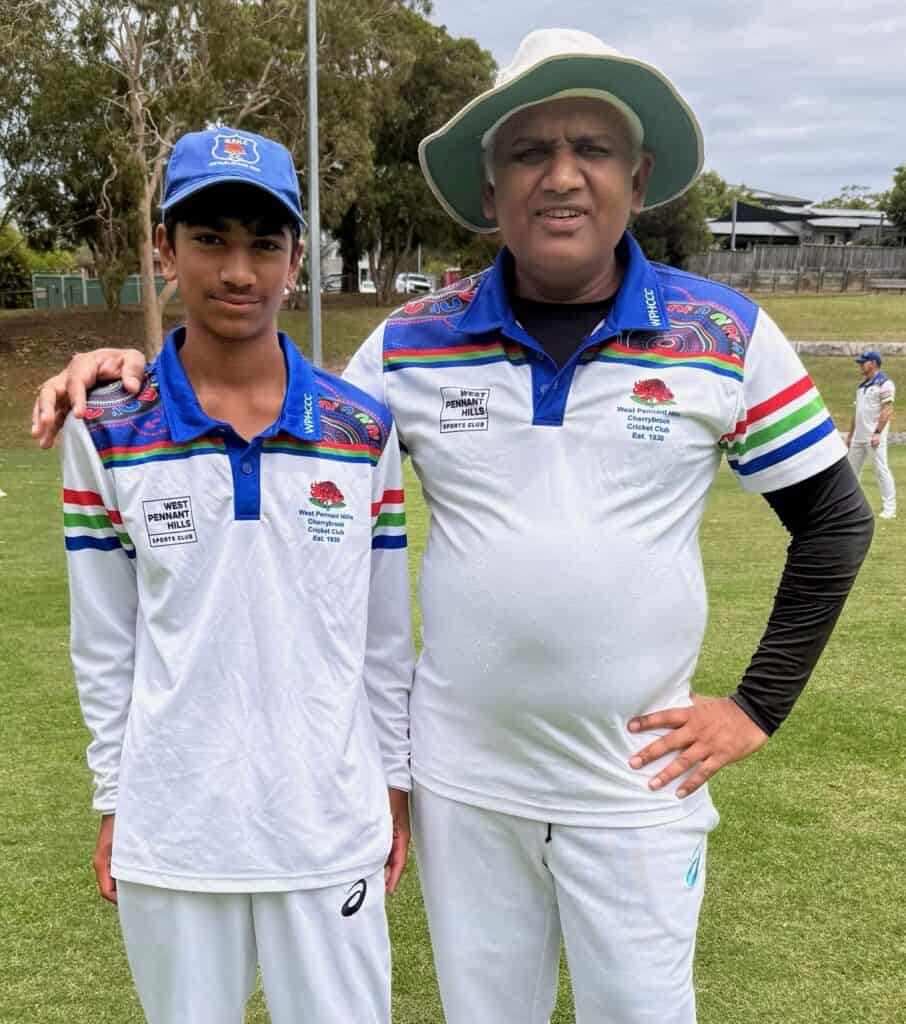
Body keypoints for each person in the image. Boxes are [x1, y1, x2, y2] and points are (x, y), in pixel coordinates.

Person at [34, 31, 874, 1024]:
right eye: (529, 151)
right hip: (462, 785)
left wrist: (756, 706)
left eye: (592, 148)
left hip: (634, 787)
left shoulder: (726, 331)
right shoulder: (411, 341)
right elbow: (270, 407)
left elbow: (832, 520)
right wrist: (124, 365)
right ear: (490, 186)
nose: (560, 176)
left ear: (638, 176)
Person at [57, 127, 413, 1024]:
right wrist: (113, 800)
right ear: (165, 251)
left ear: (297, 255)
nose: (238, 270)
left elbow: (381, 638)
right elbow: (106, 645)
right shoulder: (105, 429)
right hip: (176, 829)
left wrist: (393, 788)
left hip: (328, 826)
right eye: (210, 238)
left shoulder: (361, 428)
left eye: (264, 242)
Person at [844, 349, 896, 519]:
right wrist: (850, 435)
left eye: (863, 362)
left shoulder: (884, 383)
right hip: (858, 437)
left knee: (881, 470)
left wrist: (877, 433)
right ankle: (851, 508)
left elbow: (887, 410)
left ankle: (890, 508)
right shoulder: (861, 386)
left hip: (874, 436)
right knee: (851, 473)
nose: (860, 365)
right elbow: (856, 412)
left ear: (873, 363)